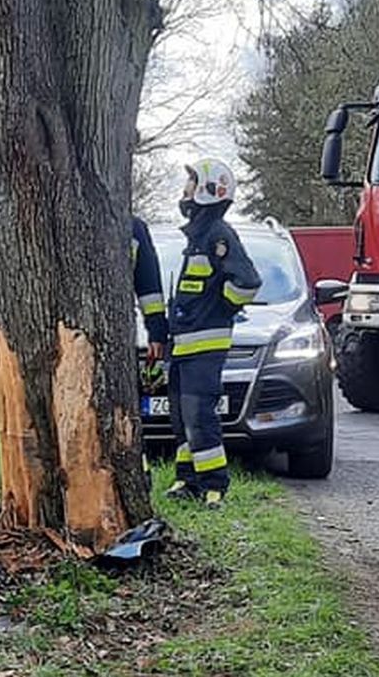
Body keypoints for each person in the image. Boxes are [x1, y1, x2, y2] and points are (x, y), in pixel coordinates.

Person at [166, 158, 261, 508]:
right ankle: (186, 480)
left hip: (205, 347)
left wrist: (219, 308)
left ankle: (214, 487)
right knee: (180, 418)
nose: (185, 190)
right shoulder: (197, 237)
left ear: (207, 190)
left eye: (191, 183)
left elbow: (247, 283)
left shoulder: (219, 234)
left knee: (199, 417)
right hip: (182, 347)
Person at [133, 216, 168, 491]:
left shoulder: (132, 228)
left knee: (128, 414)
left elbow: (149, 287)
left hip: (116, 339)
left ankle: (138, 477)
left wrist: (157, 332)